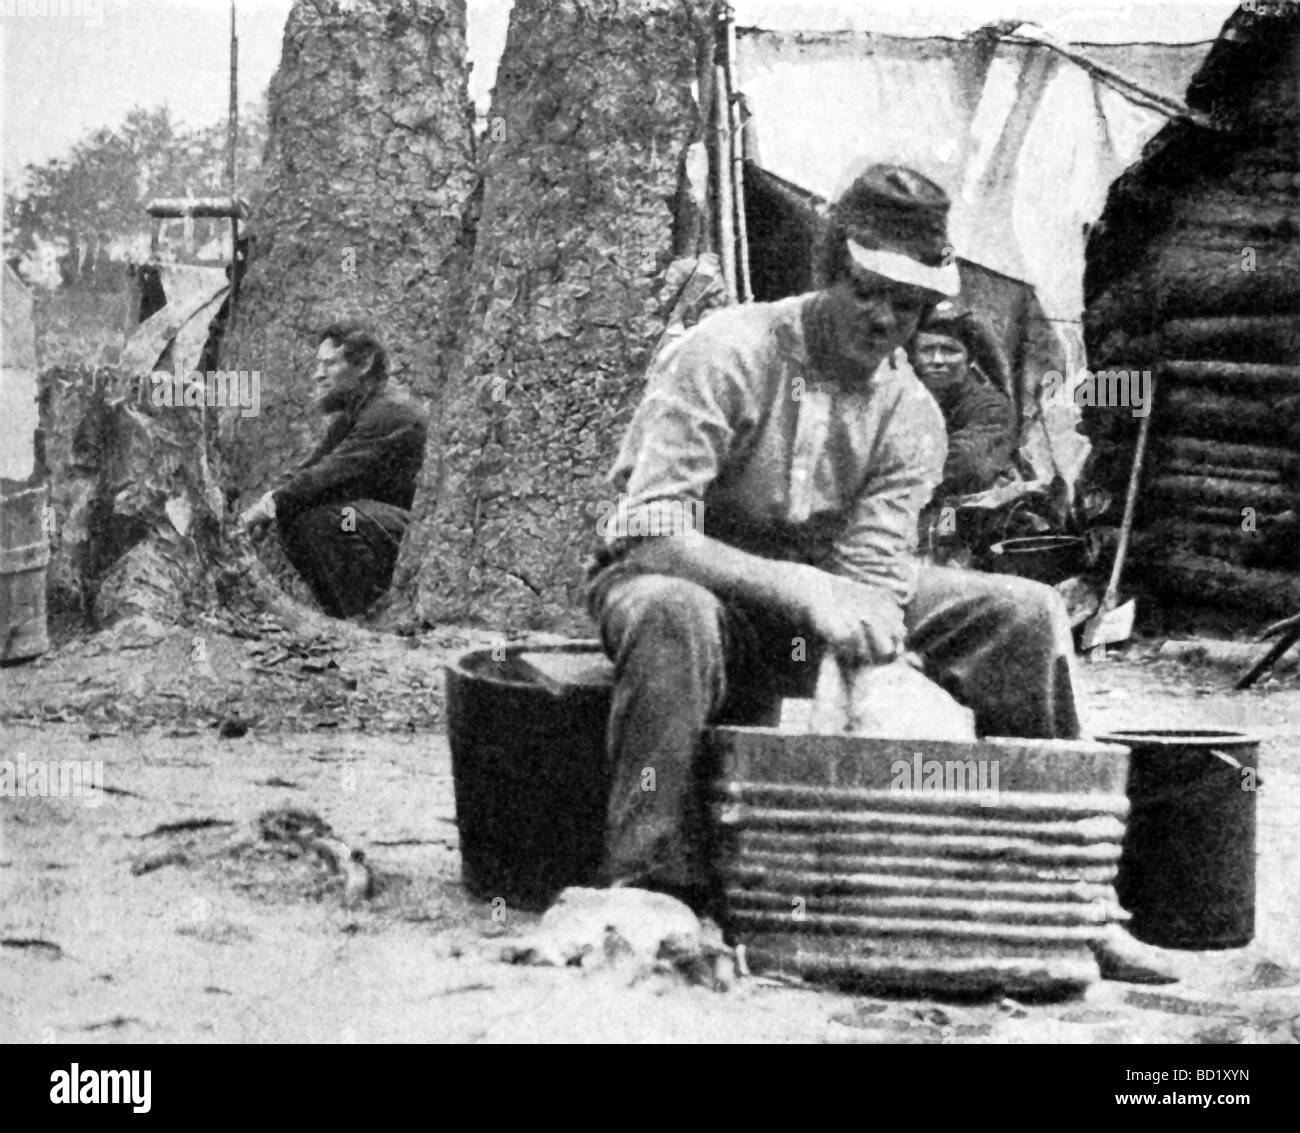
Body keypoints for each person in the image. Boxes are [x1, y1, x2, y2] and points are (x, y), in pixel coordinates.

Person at [585, 164, 1173, 983]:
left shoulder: (911, 413)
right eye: (867, 290)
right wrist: (809, 590)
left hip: (824, 592)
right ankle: (650, 883)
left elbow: (871, 575)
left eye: (906, 303)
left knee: (1027, 612)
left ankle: (1067, 892)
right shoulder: (726, 350)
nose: (883, 316)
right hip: (691, 577)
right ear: (829, 270)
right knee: (668, 611)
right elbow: (648, 532)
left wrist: (869, 655)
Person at [238, 320, 427, 618]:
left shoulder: (392, 412)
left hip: (412, 536)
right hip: (382, 529)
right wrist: (267, 506)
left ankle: (367, 614)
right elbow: (310, 468)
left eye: (329, 364)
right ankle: (344, 616)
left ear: (364, 364)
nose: (318, 375)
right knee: (296, 515)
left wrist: (269, 505)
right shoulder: (354, 415)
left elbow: (328, 474)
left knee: (331, 521)